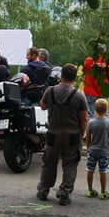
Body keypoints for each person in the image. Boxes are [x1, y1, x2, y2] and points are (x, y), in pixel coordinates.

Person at [36, 63, 88, 206]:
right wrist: (82, 133)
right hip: (72, 135)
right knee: (70, 164)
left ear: (62, 75)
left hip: (53, 132)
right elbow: (84, 117)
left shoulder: (50, 91)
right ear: (74, 77)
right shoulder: (79, 95)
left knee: (49, 163)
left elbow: (42, 106)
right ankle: (64, 193)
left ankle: (43, 190)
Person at [85, 98, 109, 200]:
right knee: (103, 171)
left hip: (92, 150)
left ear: (95, 109)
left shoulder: (91, 122)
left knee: (90, 170)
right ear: (106, 110)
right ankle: (103, 192)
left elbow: (88, 137)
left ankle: (90, 190)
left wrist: (88, 148)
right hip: (104, 151)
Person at [81, 44, 109, 118]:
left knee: (90, 114)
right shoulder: (108, 61)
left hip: (90, 91)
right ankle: (107, 124)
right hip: (103, 90)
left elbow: (84, 70)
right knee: (104, 113)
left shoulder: (88, 60)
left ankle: (91, 125)